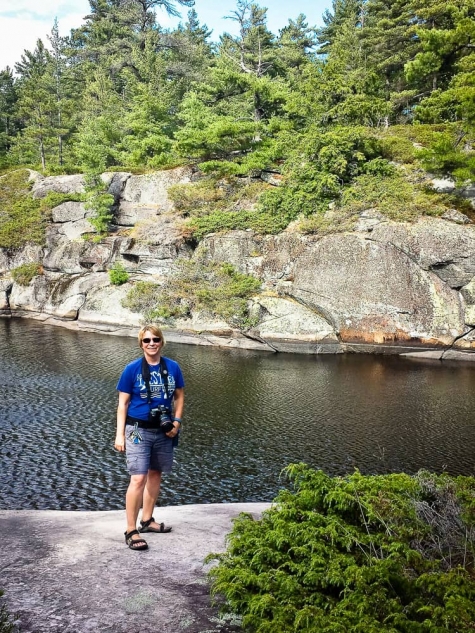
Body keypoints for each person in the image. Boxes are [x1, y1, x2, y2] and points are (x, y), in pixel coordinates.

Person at [114, 324, 185, 551]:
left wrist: (177, 422)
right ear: (141, 344)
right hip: (137, 430)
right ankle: (130, 529)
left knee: (156, 474)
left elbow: (180, 396)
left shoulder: (172, 367)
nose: (151, 343)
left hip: (164, 430)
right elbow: (122, 404)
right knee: (138, 478)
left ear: (162, 342)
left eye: (155, 339)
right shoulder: (132, 369)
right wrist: (119, 435)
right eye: (147, 340)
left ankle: (147, 520)